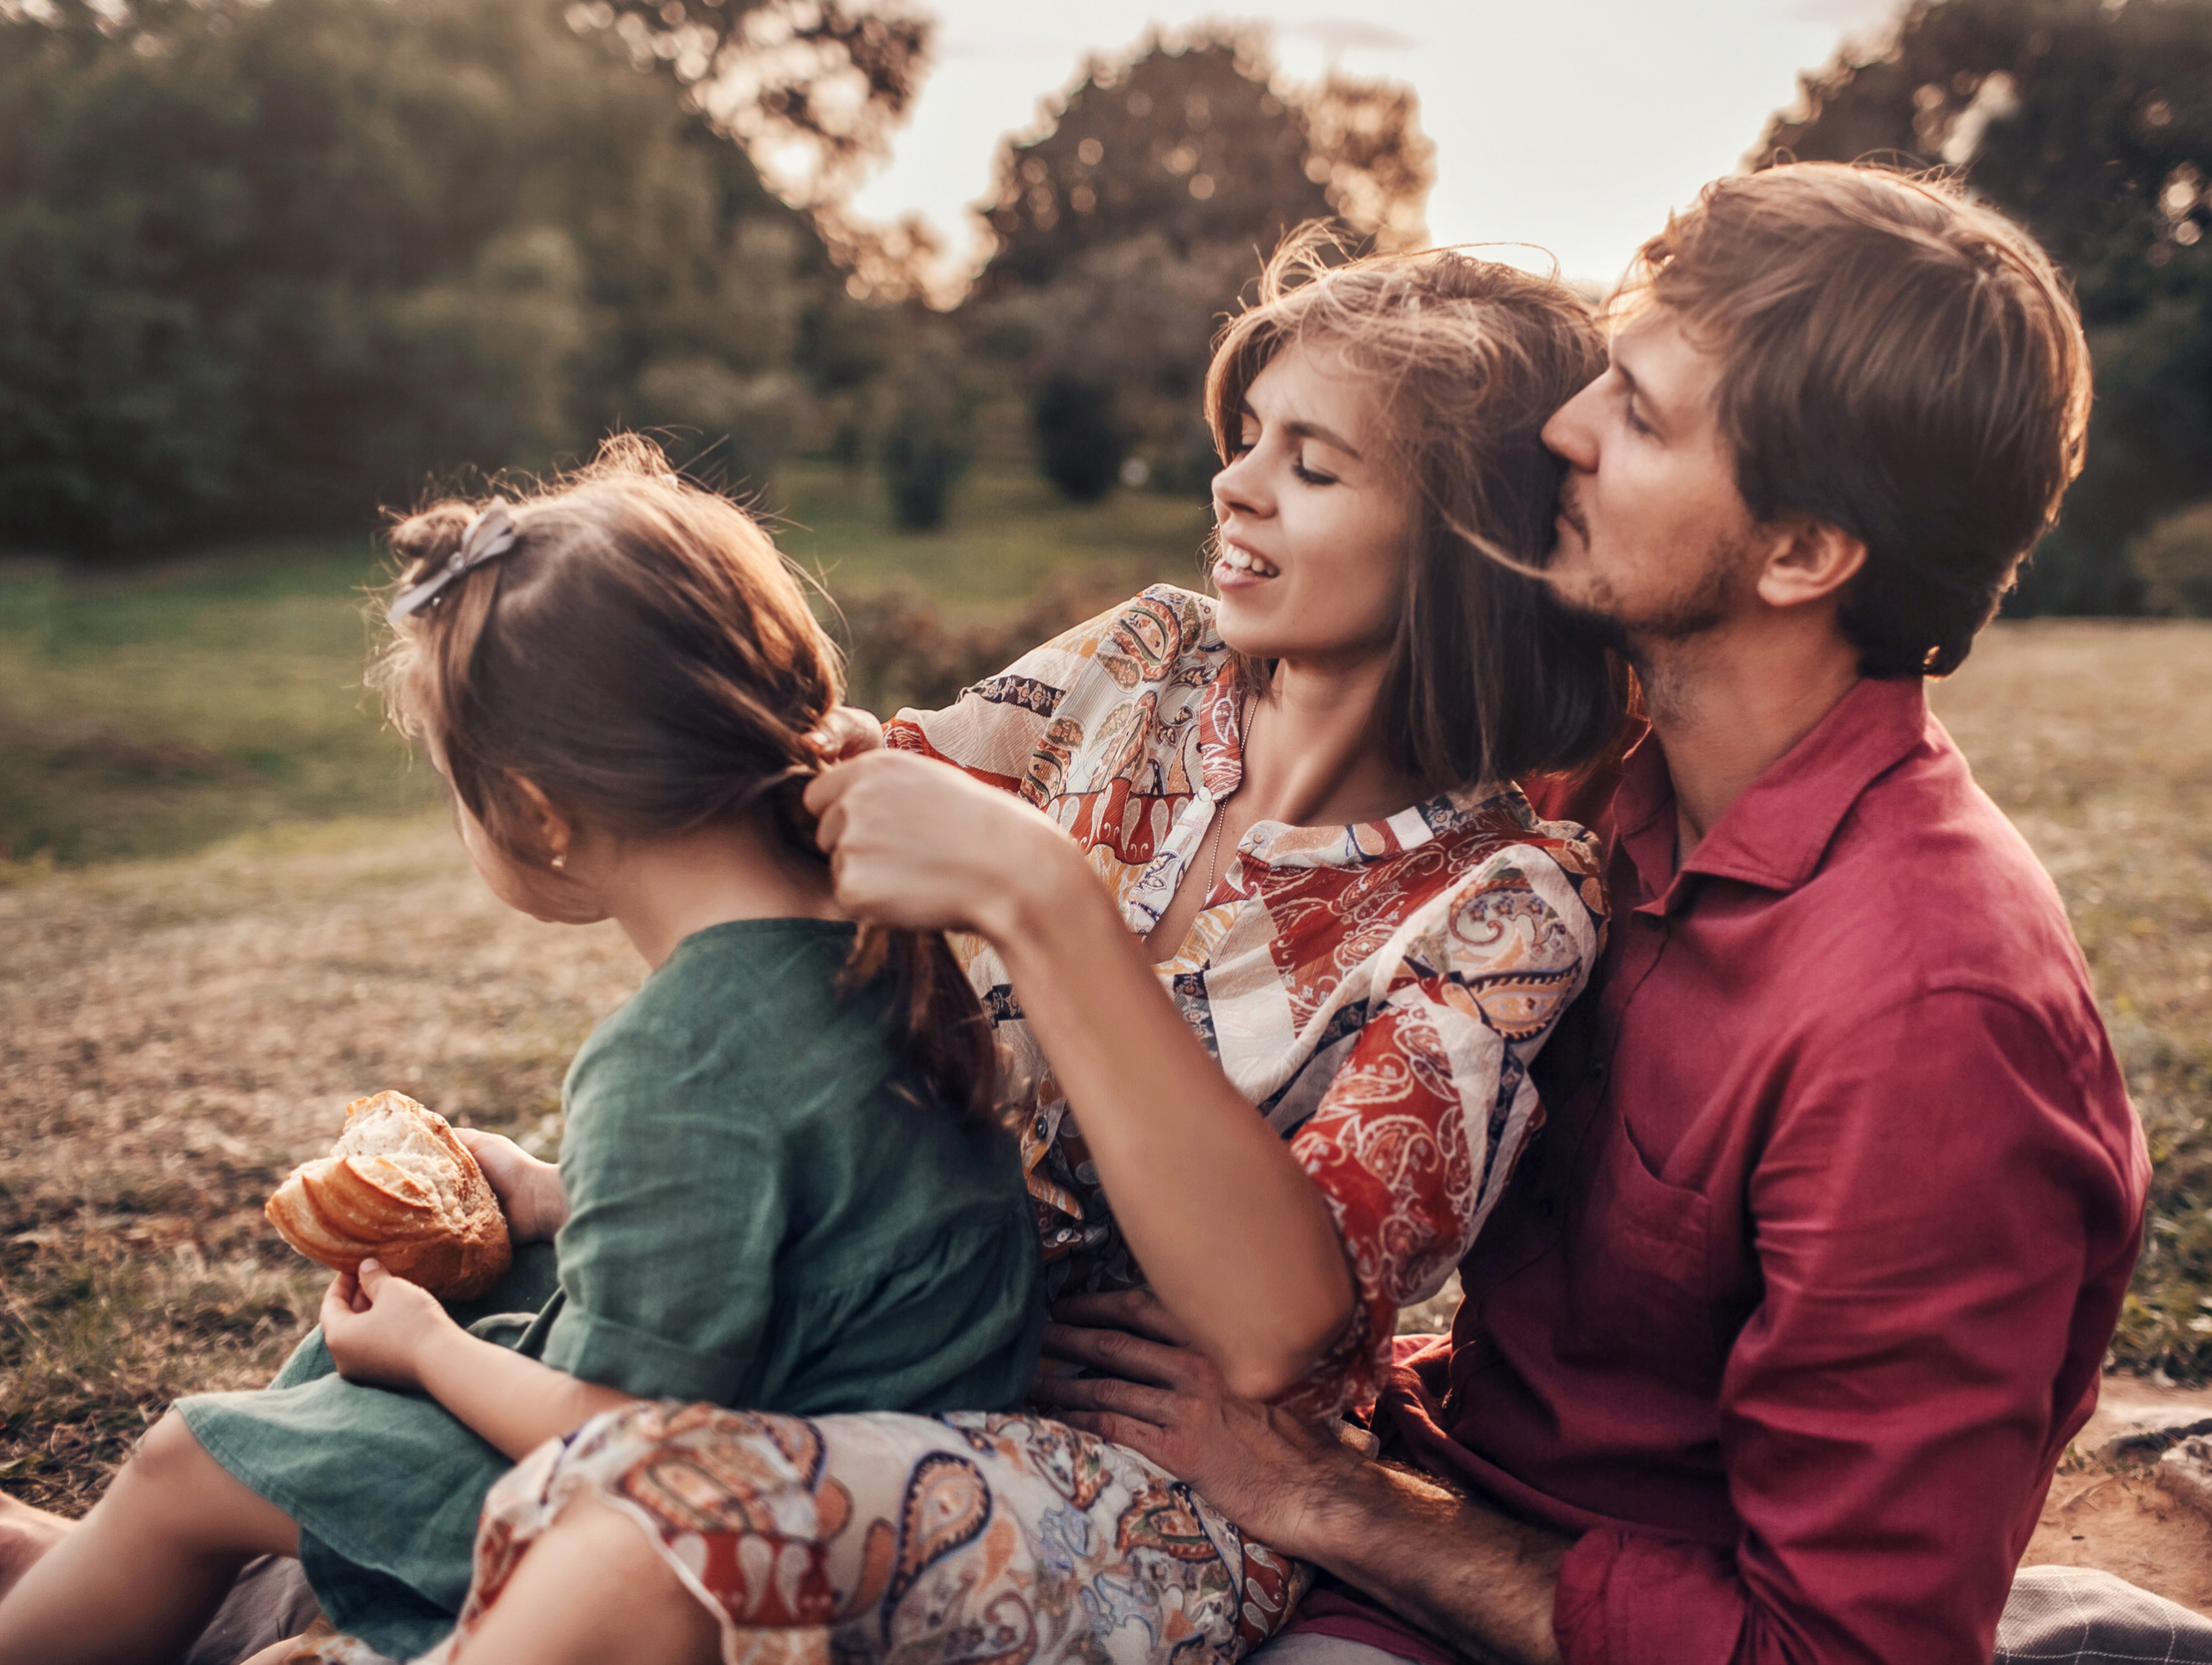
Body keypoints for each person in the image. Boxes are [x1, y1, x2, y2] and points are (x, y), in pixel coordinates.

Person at [122, 242, 1633, 1665]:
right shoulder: (1150, 660)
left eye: (1309, 464)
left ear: (1463, 547)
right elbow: (809, 811)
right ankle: (163, 1572)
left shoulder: (1507, 901)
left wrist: (1041, 898)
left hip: (1141, 1475)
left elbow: (1275, 1322)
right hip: (886, 1309)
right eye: (1245, 435)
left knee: (653, 1485)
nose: (1233, 483)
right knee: (438, 1325)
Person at [1036, 163, 2172, 1665]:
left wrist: (1337, 1499)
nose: (1564, 427)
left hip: (1508, 1599)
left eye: (1637, 414)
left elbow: (1840, 1652)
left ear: (1802, 553)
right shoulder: (1590, 794)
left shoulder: (1930, 1020)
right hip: (1416, 1478)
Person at [0, 439, 1047, 1665]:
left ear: (540, 814)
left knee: (188, 1453)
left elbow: (622, 1432)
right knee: (446, 1302)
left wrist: (425, 1351)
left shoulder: (675, 1052)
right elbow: (812, 1221)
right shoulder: (882, 942)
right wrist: (556, 1198)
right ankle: (124, 1574)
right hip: (863, 1432)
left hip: (728, 1521)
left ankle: (109, 1582)